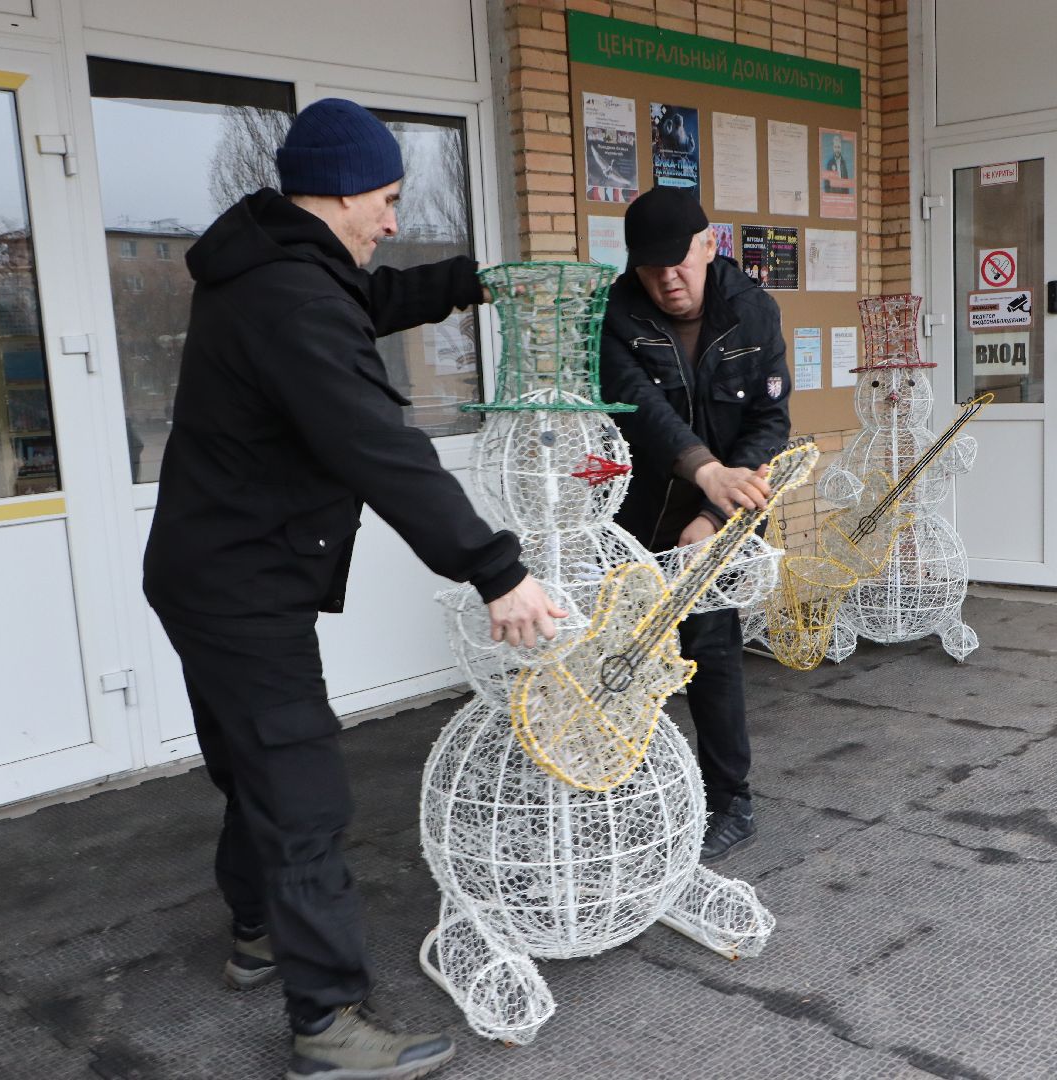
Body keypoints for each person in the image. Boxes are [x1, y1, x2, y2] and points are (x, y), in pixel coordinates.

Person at [143, 98, 562, 1080]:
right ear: (336, 192)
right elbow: (379, 444)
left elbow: (364, 301)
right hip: (240, 581)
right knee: (300, 784)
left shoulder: (275, 268)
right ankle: (327, 1021)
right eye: (384, 199)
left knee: (259, 760)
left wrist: (473, 283)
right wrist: (495, 567)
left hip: (211, 569)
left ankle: (256, 929)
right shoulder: (289, 301)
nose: (390, 220)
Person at [598, 187, 792, 862]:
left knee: (710, 651)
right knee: (627, 657)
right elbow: (639, 410)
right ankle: (633, 793)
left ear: (709, 246)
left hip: (726, 515)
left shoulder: (752, 312)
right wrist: (702, 472)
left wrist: (714, 512)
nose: (667, 279)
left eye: (679, 261)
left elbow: (771, 422)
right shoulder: (616, 314)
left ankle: (729, 801)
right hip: (639, 515)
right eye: (651, 267)